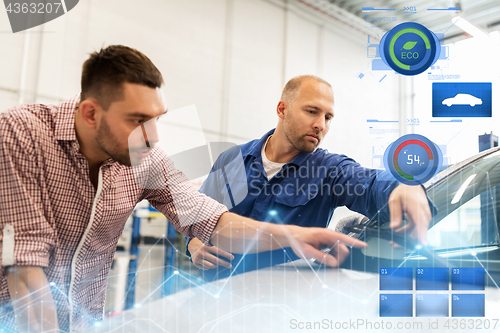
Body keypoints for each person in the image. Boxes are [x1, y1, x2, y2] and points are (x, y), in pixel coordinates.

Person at [0, 47, 367, 332]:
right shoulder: (22, 134)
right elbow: (25, 271)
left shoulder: (146, 157)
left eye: (157, 118)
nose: (153, 137)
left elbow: (212, 219)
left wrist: (290, 235)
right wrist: (195, 247)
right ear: (91, 113)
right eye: (138, 121)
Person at [186, 75, 433, 279]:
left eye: (327, 117)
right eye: (312, 111)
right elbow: (197, 220)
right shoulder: (231, 161)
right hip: (217, 298)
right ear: (282, 109)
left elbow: (368, 183)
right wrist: (193, 245)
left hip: (288, 306)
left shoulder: (329, 170)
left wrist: (404, 185)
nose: (320, 125)